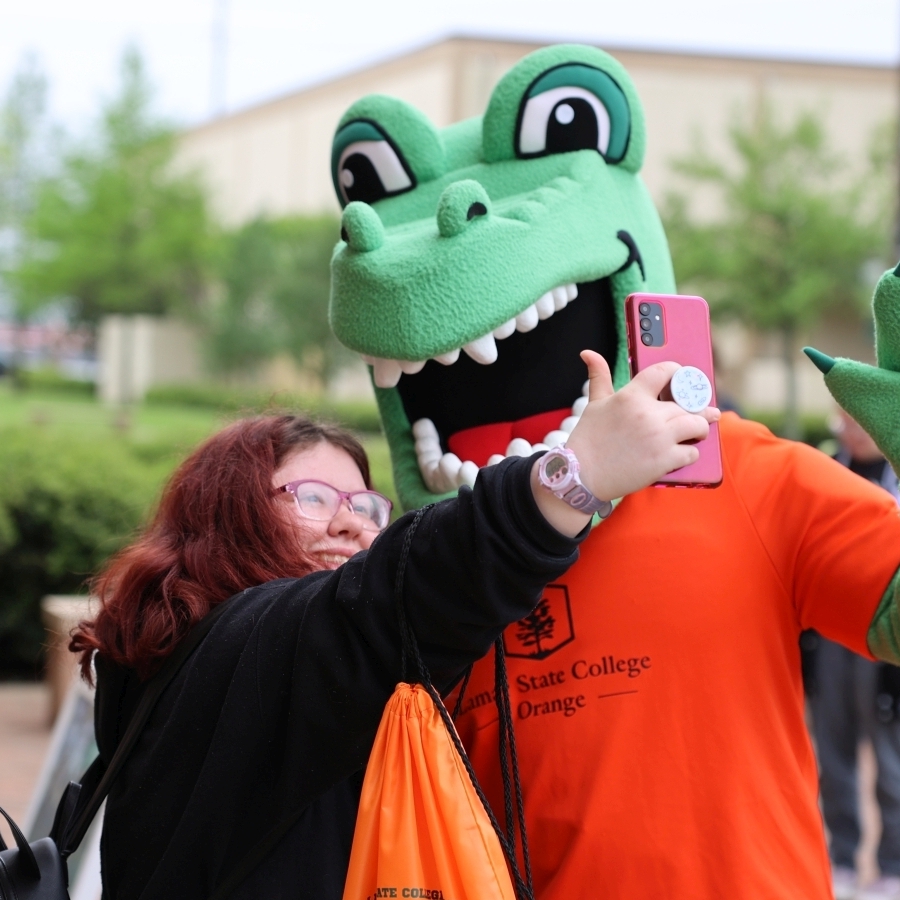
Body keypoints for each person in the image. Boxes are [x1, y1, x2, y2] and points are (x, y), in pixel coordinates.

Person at [69, 352, 717, 900]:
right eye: (313, 499)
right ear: (222, 518)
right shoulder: (243, 648)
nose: (352, 522)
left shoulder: (200, 675)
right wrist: (575, 477)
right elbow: (392, 600)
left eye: (364, 504)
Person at [808, 409, 900, 900]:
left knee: (890, 757)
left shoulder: (894, 472)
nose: (853, 429)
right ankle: (843, 857)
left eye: (860, 420)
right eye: (843, 420)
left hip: (881, 627)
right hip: (830, 629)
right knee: (834, 747)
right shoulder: (827, 470)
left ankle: (891, 864)